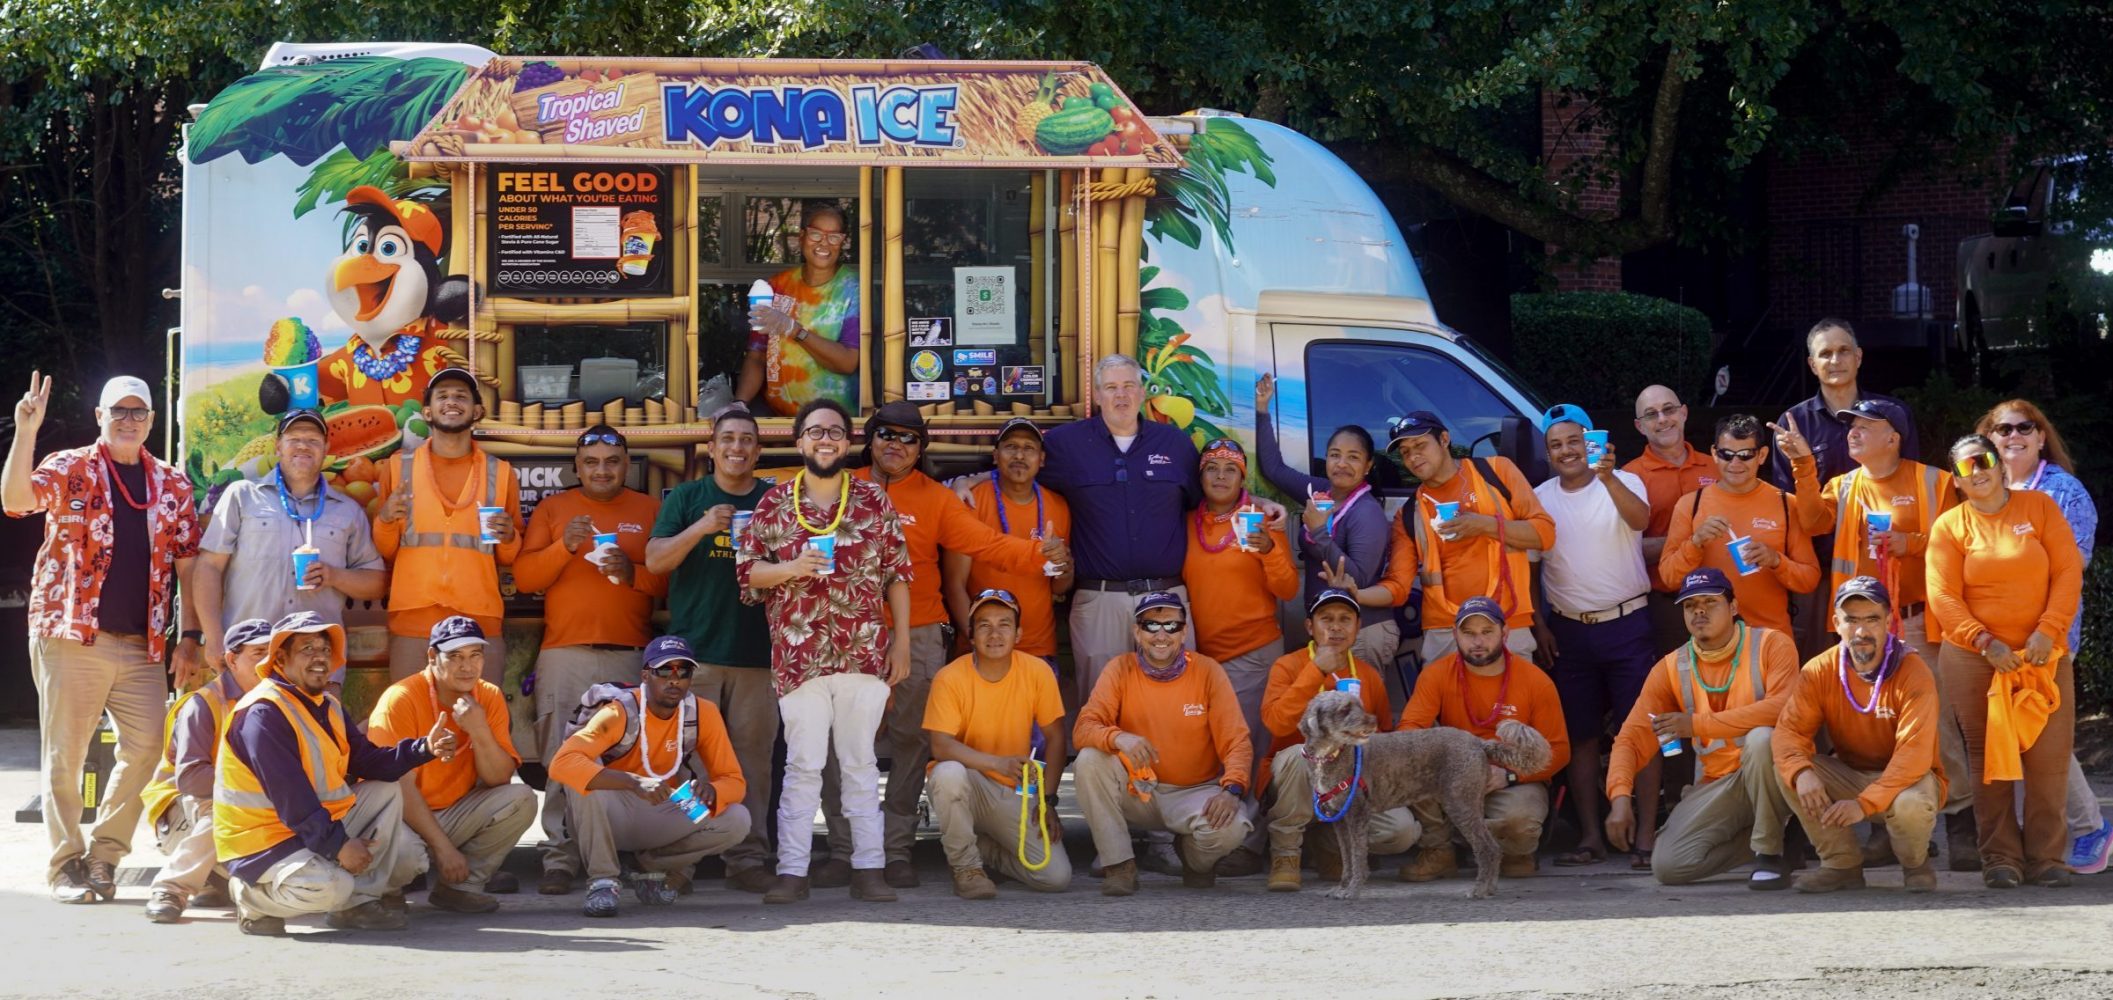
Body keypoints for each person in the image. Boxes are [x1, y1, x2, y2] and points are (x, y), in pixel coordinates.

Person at [841, 401, 1062, 889]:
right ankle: (846, 850)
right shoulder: (840, 487)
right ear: (870, 438)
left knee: (910, 746)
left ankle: (895, 851)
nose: (896, 445)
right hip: (848, 634)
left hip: (917, 635)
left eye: (908, 438)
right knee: (844, 745)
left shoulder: (936, 499)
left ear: (921, 449)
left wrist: (1036, 552)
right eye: (887, 434)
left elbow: (987, 543)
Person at [4, 372, 204, 904]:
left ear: (152, 422)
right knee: (65, 755)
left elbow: (189, 566)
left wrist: (192, 636)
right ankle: (65, 864)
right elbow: (16, 499)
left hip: (142, 643)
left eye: (139, 412)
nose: (129, 420)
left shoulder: (173, 484)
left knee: (148, 747)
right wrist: (27, 431)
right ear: (100, 416)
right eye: (119, 410)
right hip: (71, 633)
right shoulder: (69, 467)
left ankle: (104, 856)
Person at [1775, 395, 1974, 863]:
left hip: (1916, 619)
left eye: (1865, 425)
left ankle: (1962, 823)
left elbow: (1966, 542)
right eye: (1851, 426)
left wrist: (1912, 542)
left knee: (1937, 725)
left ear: (1894, 436)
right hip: (1860, 630)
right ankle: (1888, 829)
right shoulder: (1842, 485)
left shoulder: (1935, 482)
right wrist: (1804, 466)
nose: (1853, 432)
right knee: (1871, 722)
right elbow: (1812, 521)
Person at [736, 398, 911, 904]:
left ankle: (869, 868)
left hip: (863, 654)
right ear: (799, 441)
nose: (826, 439)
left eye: (835, 431)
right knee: (803, 765)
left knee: (858, 763)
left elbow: (897, 575)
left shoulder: (874, 500)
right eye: (815, 431)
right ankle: (792, 871)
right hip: (799, 656)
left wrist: (901, 642)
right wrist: (792, 567)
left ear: (848, 441)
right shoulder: (772, 504)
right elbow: (748, 575)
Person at [216, 611, 454, 935]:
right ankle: (250, 897)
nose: (320, 658)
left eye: (325, 650)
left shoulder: (327, 705)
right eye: (308, 649)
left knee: (388, 793)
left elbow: (370, 762)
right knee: (332, 886)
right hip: (263, 842)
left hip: (304, 829)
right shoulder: (263, 713)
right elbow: (293, 800)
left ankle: (356, 905)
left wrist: (424, 748)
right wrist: (339, 846)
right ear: (281, 658)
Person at [512, 425, 668, 894]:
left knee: (627, 757)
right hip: (565, 655)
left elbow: (667, 580)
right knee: (564, 758)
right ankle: (560, 856)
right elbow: (523, 577)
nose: (602, 470)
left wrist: (632, 573)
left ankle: (622, 848)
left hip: (630, 655)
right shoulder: (554, 509)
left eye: (612, 461)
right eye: (592, 463)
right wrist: (565, 547)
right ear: (576, 468)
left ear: (625, 464)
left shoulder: (650, 510)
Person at [1927, 433, 2084, 888]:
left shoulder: (2039, 508)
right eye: (1965, 467)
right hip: (1977, 658)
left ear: (1999, 464)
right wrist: (1984, 642)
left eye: (1984, 461)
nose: (1977, 472)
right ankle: (2000, 858)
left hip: (2043, 653)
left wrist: (2047, 630)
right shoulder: (1950, 526)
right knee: (1988, 760)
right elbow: (1942, 595)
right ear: (1956, 481)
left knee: (2048, 759)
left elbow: (2067, 571)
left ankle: (2046, 858)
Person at [646, 405, 777, 892]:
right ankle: (684, 859)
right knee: (686, 764)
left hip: (756, 655)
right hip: (692, 659)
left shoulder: (774, 500)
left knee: (751, 764)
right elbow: (656, 561)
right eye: (728, 439)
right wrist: (702, 527)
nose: (737, 448)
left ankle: (748, 858)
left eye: (747, 440)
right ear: (712, 448)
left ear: (758, 451)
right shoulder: (687, 497)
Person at [1603, 569, 1801, 887]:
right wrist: (1621, 797)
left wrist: (1695, 724)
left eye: (1711, 602)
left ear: (1734, 607)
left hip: (1778, 775)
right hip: (1718, 785)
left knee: (1761, 739)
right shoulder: (1670, 666)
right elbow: (1631, 737)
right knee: (1669, 867)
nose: (1699, 611)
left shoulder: (1771, 644)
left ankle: (1769, 855)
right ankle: (1785, 835)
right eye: (1689, 605)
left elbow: (1783, 708)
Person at [1975, 399, 2108, 873]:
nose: (2013, 435)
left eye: (2024, 427)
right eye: (2002, 429)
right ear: (1988, 439)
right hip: (1993, 639)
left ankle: (2090, 826)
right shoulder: (1984, 487)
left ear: (2040, 435)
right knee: (2016, 732)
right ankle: (2038, 838)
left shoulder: (2063, 491)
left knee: (2038, 736)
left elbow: (2076, 564)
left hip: (2045, 637)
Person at [1028, 354, 1204, 705]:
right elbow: (1015, 471)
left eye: (1128, 386)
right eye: (1111, 388)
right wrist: (967, 482)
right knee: (1101, 705)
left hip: (1165, 600)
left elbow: (1211, 500)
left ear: (1142, 392)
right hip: (1099, 602)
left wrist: (1259, 504)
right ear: (1096, 394)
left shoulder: (1175, 444)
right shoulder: (1065, 445)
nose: (1120, 396)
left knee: (1173, 703)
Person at [1530, 405, 1656, 870]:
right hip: (1568, 630)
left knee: (1638, 732)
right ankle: (1589, 836)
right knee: (1580, 737)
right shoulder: (1539, 497)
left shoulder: (1624, 480)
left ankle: (1644, 836)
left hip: (1627, 624)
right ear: (1548, 453)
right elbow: (1532, 563)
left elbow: (1641, 520)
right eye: (1555, 444)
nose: (1566, 450)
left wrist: (1608, 478)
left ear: (1591, 441)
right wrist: (1539, 624)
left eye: (1573, 440)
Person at [547, 635, 751, 917]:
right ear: (645, 675)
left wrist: (715, 791)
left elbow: (734, 781)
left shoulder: (703, 712)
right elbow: (561, 764)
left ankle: (649, 866)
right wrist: (633, 782)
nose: (674, 679)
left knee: (737, 819)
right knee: (584, 767)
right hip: (611, 811)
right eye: (665, 670)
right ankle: (603, 880)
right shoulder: (619, 711)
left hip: (663, 808)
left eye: (684, 671)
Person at [1772, 577, 1947, 893]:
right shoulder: (1819, 670)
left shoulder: (1913, 671)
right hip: (1851, 774)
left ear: (1888, 622)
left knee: (1910, 804)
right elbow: (1788, 735)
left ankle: (1916, 865)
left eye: (1872, 619)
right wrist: (1801, 773)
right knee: (1790, 769)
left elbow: (1914, 756)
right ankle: (1842, 866)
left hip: (1910, 780)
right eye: (1852, 620)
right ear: (1836, 623)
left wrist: (1864, 804)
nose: (1862, 631)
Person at [1073, 592, 1255, 895]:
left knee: (1233, 827)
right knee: (1089, 760)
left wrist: (1232, 789)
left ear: (1184, 632)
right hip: (1137, 789)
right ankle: (1119, 865)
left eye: (1171, 626)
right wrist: (1119, 737)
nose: (1161, 634)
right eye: (1151, 625)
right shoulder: (1120, 668)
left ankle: (1195, 861)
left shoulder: (1208, 670)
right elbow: (1083, 729)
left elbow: (1236, 740)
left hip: (1194, 790)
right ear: (1136, 632)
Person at [1768, 320, 1920, 662]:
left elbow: (1909, 479)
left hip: (1882, 564)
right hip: (1819, 568)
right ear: (1812, 364)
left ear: (1859, 357)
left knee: (1890, 664)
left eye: (1843, 351)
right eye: (1825, 353)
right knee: (1821, 667)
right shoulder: (1794, 422)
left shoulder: (1891, 415)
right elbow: (1785, 504)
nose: (1835, 360)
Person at [192, 409, 386, 672]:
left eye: (313, 440)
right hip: (249, 661)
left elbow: (376, 583)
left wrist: (333, 576)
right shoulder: (242, 496)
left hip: (316, 669)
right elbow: (208, 567)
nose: (303, 446)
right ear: (278, 446)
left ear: (326, 448)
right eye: (294, 438)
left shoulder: (347, 510)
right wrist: (213, 638)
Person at [366, 616, 538, 913]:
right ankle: (384, 891)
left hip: (453, 813)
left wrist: (479, 730)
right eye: (455, 656)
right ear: (432, 657)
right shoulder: (401, 698)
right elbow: (399, 787)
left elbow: (499, 779)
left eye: (475, 655)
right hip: (398, 815)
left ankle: (459, 889)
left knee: (522, 799)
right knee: (409, 855)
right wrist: (444, 849)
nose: (467, 666)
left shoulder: (488, 695)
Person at [1355, 411, 1553, 663]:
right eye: (1405, 452)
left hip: (1507, 622)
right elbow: (1398, 586)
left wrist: (1485, 525)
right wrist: (1355, 594)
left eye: (1420, 445)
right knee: (1446, 703)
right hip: (1444, 630)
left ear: (1445, 439)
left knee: (1509, 703)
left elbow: (1545, 535)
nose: (1413, 456)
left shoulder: (1496, 471)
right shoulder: (1408, 513)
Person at [1397, 597, 1571, 882]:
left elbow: (1559, 751)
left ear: (1504, 634)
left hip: (1511, 779)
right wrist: (1444, 766)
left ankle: (1512, 852)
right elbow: (1408, 731)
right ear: (1455, 635)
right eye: (1468, 633)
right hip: (1454, 775)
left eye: (1487, 632)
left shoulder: (1536, 681)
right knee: (1409, 766)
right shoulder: (1435, 675)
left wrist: (1510, 776)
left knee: (1520, 826)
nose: (1477, 641)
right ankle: (1439, 851)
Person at [371, 366, 522, 684]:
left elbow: (508, 556)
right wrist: (385, 519)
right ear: (426, 412)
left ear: (477, 411)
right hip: (413, 622)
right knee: (409, 727)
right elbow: (386, 550)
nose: (451, 402)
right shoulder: (398, 467)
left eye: (461, 396)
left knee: (480, 725)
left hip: (479, 622)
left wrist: (508, 537)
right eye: (442, 396)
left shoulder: (502, 473)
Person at [922, 589, 1072, 897]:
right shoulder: (950, 677)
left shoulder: (1037, 671)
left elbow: (1057, 737)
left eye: (1004, 624)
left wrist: (1049, 801)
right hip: (969, 783)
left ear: (1019, 633)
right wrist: (997, 763)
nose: (994, 633)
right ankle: (967, 869)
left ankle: (987, 851)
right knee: (948, 773)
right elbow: (941, 746)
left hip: (1014, 789)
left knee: (1055, 877)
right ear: (971, 634)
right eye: (984, 625)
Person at [1258, 589, 1406, 892]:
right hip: (1294, 775)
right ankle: (1286, 853)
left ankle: (1327, 843)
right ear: (1310, 627)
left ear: (1357, 627)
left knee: (1400, 830)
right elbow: (1276, 722)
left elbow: (1383, 738)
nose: (1336, 627)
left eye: (1345, 619)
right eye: (1326, 619)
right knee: (1307, 755)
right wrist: (1316, 671)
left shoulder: (1367, 675)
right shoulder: (1288, 666)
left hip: (1349, 781)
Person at [1254, 374, 1398, 673]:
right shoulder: (1319, 492)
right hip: (1328, 630)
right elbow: (1273, 469)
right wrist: (1262, 411)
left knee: (1357, 716)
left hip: (1360, 633)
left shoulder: (1366, 512)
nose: (1342, 464)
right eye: (1335, 455)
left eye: (1353, 457)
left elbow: (1356, 579)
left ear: (1368, 466)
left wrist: (1319, 532)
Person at [139, 618, 271, 923]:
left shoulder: (278, 698)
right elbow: (192, 779)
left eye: (273, 654)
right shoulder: (203, 703)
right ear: (232, 659)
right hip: (185, 814)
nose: (268, 663)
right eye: (258, 653)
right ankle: (171, 889)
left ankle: (219, 877)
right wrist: (260, 782)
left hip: (250, 808)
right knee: (225, 809)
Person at [1181, 436, 1298, 763]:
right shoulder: (1187, 521)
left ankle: (1247, 811)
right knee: (1208, 745)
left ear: (1242, 477)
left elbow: (1288, 589)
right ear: (1200, 476)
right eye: (1213, 469)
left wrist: (1269, 551)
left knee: (1246, 747)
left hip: (1252, 654)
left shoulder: (1261, 518)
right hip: (1200, 659)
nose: (1221, 476)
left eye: (1231, 469)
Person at [1660, 414, 1821, 638]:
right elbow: (1669, 578)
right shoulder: (1691, 504)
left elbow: (1809, 579)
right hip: (1711, 640)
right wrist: (1695, 543)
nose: (1735, 463)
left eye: (1745, 455)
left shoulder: (1786, 503)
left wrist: (1776, 561)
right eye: (1727, 455)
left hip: (1771, 638)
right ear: (1715, 454)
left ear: (1762, 455)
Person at [942, 417, 1074, 668]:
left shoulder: (1058, 506)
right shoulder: (971, 501)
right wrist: (974, 638)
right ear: (995, 456)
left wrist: (1066, 568)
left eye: (1029, 448)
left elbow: (1058, 587)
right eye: (1011, 446)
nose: (1019, 455)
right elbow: (954, 585)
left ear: (1042, 459)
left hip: (1038, 647)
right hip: (981, 647)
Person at [739, 203, 860, 416]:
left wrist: (795, 330)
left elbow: (848, 362)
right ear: (801, 237)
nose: (824, 243)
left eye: (834, 237)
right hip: (779, 423)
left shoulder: (853, 288)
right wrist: (740, 404)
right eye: (816, 234)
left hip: (833, 426)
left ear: (844, 242)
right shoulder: (777, 286)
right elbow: (757, 355)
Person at [1625, 385, 1720, 652]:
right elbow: (1626, 551)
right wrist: (1690, 541)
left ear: (1684, 413)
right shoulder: (1629, 479)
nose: (1663, 419)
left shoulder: (1717, 465)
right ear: (1639, 426)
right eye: (1651, 414)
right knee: (1678, 688)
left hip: (1721, 598)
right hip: (1666, 604)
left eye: (1669, 410)